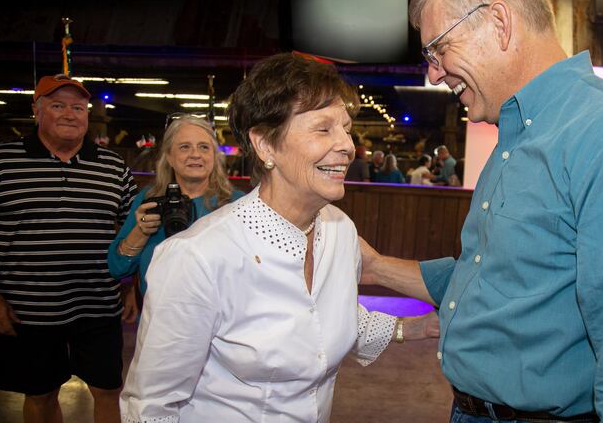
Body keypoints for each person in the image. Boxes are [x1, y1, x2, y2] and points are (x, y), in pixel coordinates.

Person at [360, 0, 603, 421]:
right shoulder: (520, 134)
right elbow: (500, 278)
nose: (432, 73)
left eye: (438, 49)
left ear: (500, 24)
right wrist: (374, 266)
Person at [119, 53, 438, 422]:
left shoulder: (340, 232)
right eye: (323, 129)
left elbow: (328, 322)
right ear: (265, 145)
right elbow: (151, 407)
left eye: (346, 128)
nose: (347, 145)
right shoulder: (198, 257)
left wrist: (417, 327)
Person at [0, 74, 137, 423]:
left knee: (108, 390)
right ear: (37, 110)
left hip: (100, 304)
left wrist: (132, 284)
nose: (69, 114)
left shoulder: (114, 166)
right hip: (29, 308)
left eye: (78, 107)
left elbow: (135, 230)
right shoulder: (2, 162)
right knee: (40, 394)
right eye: (57, 105)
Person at [108, 114, 244, 296]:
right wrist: (141, 231)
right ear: (170, 157)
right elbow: (117, 267)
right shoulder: (149, 200)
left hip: (220, 320)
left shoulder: (236, 203)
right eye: (184, 147)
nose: (195, 154)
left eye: (204, 147)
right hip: (159, 319)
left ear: (214, 156)